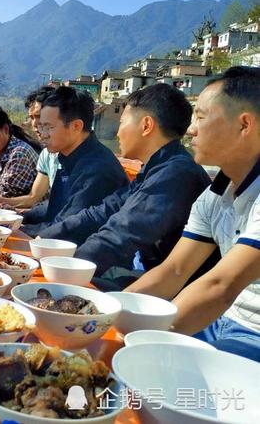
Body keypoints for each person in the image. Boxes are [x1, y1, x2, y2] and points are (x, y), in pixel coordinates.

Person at [125, 67, 260, 361]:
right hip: (218, 322)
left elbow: (221, 286)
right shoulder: (215, 195)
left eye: (201, 116)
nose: (190, 129)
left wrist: (146, 342)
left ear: (244, 125)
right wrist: (111, 312)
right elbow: (173, 271)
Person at [36, 83, 211, 290]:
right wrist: (41, 242)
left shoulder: (175, 173)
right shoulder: (155, 168)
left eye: (122, 122)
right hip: (143, 270)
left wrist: (68, 268)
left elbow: (121, 233)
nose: (118, 133)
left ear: (146, 125)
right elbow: (102, 212)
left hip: (169, 289)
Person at [20, 87, 128, 235]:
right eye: (41, 127)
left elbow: (68, 227)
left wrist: (19, 229)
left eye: (48, 127)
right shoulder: (67, 157)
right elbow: (57, 208)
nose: (42, 135)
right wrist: (19, 217)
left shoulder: (97, 168)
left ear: (76, 126)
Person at [0, 86, 56, 208]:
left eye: (39, 116)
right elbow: (33, 198)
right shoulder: (47, 153)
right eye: (32, 117)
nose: (34, 123)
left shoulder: (19, 152)